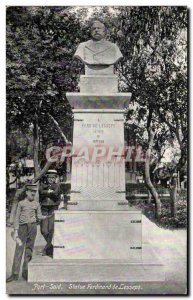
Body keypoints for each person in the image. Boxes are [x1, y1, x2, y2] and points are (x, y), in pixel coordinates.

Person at [6, 183, 48, 282]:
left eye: (35, 191)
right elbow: (16, 218)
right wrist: (16, 230)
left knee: (29, 249)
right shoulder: (21, 203)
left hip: (33, 227)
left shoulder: (37, 204)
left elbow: (39, 216)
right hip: (22, 227)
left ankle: (26, 272)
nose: (33, 193)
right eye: (31, 191)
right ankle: (15, 274)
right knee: (19, 249)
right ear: (26, 192)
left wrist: (46, 216)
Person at [39, 170, 61, 257]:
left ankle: (46, 249)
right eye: (49, 177)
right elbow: (41, 192)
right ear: (47, 178)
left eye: (53, 178)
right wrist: (49, 192)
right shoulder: (42, 185)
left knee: (51, 229)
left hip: (53, 208)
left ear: (55, 178)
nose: (51, 179)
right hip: (44, 208)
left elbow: (56, 194)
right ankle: (50, 246)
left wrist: (47, 192)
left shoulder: (57, 186)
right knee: (44, 230)